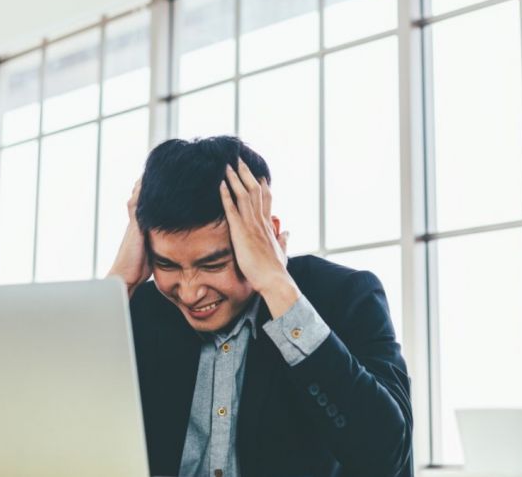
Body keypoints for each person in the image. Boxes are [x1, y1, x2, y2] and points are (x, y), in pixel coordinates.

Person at [109, 136, 412, 477]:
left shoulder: (345, 296)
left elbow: (387, 455)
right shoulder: (138, 311)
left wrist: (275, 283)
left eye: (213, 264)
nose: (191, 293)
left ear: (267, 235)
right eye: (168, 266)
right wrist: (121, 281)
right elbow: (55, 426)